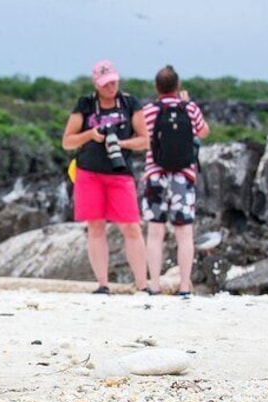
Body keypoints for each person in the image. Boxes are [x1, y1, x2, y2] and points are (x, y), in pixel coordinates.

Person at [62, 60, 149, 294]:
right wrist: (91, 134)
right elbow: (67, 141)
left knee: (131, 227)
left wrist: (121, 143)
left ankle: (143, 283)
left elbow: (144, 140)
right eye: (105, 84)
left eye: (113, 82)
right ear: (96, 84)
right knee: (95, 226)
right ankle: (102, 283)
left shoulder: (130, 103)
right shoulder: (86, 104)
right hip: (89, 172)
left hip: (120, 173)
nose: (110, 87)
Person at [141, 65, 210, 297]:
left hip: (155, 174)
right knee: (184, 232)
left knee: (155, 231)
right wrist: (187, 103)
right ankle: (184, 286)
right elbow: (204, 131)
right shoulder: (189, 108)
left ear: (156, 87)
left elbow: (143, 138)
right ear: (178, 86)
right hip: (183, 175)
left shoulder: (149, 111)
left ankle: (154, 286)